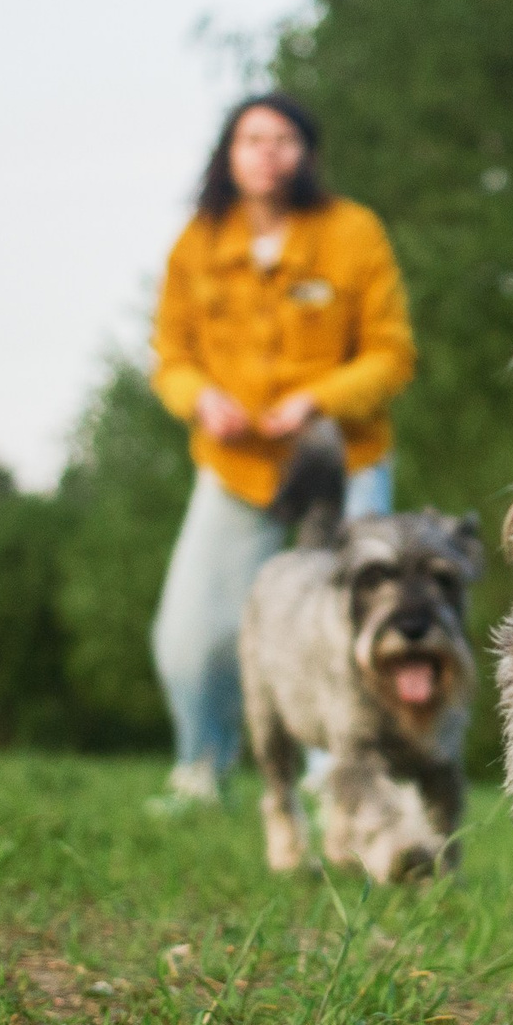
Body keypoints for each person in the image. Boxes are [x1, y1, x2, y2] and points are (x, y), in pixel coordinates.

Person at [146, 92, 415, 805]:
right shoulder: (197, 242)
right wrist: (200, 397)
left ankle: (341, 787)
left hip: (344, 462)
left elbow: (392, 355)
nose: (267, 151)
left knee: (345, 625)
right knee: (192, 634)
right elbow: (170, 354)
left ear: (307, 154)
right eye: (252, 138)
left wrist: (316, 401)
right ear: (229, 156)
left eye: (283, 138)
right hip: (236, 469)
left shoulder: (353, 233)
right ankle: (201, 771)